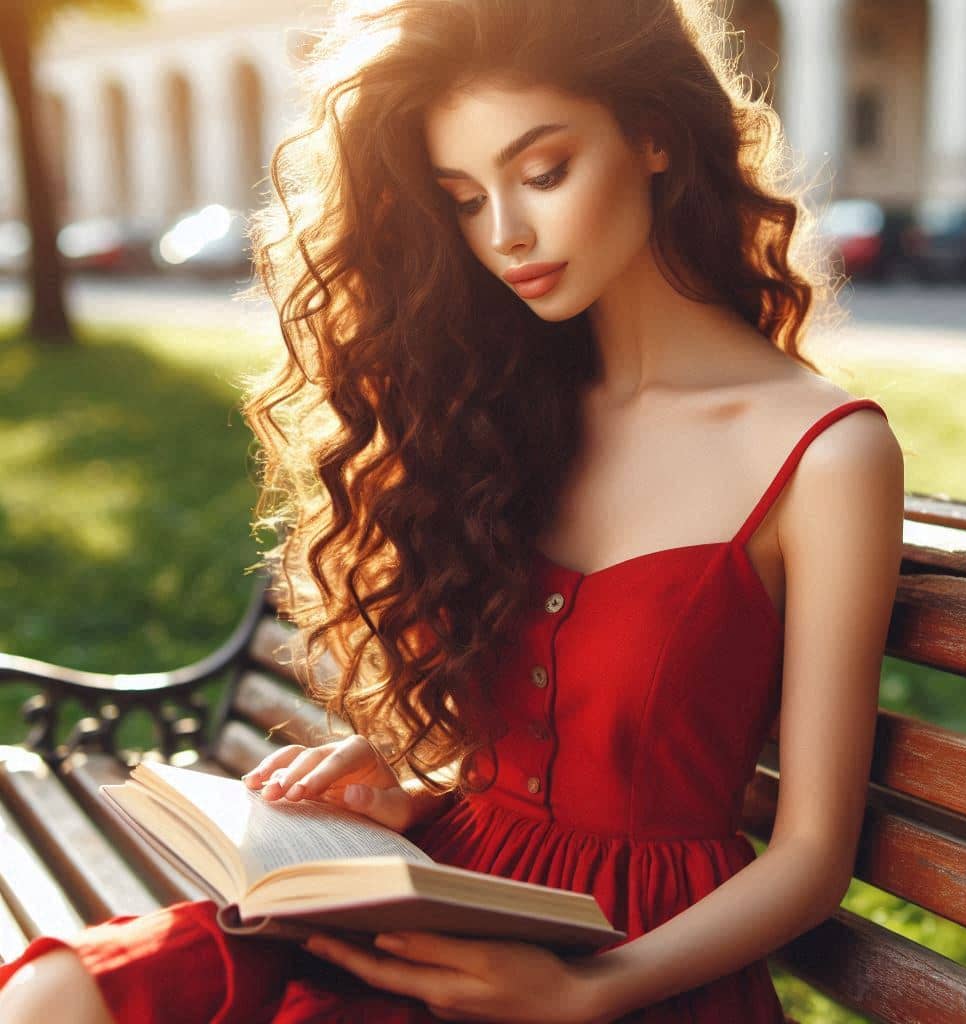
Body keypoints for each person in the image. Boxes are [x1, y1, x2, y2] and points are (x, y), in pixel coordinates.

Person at [0, 0, 906, 1020]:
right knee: (58, 991)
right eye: (464, 198)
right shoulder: (499, 411)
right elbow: (523, 749)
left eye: (543, 171)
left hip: (630, 959)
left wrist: (584, 993)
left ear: (653, 134)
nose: (505, 234)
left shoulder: (826, 454)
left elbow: (813, 856)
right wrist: (408, 793)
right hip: (449, 890)